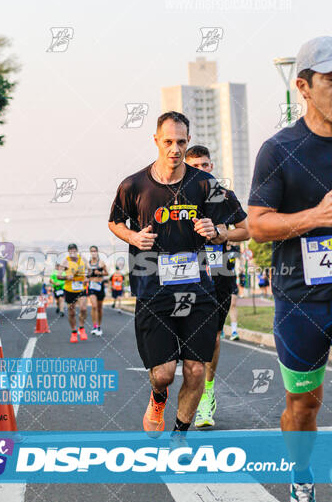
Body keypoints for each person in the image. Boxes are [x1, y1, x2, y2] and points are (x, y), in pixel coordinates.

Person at [109, 111, 229, 443]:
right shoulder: (133, 185)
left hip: (198, 291)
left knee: (194, 369)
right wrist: (133, 238)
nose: (174, 149)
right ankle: (158, 398)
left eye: (180, 142)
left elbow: (246, 226)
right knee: (163, 374)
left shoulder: (205, 184)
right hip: (153, 291)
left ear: (188, 142)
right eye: (168, 142)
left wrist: (217, 230)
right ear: (156, 141)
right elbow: (115, 222)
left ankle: (179, 436)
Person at [248, 36, 332, 502]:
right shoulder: (279, 149)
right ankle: (302, 474)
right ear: (303, 86)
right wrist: (314, 219)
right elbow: (258, 224)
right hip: (302, 302)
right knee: (304, 407)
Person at [185, 145, 249, 427]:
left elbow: (247, 230)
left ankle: (206, 395)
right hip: (183, 277)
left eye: (206, 165)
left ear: (212, 167)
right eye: (195, 165)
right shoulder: (173, 197)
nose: (202, 170)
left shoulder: (224, 196)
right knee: (184, 342)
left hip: (218, 276)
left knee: (212, 338)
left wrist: (224, 233)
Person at [61, 244, 88, 343]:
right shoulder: (65, 261)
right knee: (71, 313)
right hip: (69, 289)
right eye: (70, 251)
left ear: (77, 251)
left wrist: (86, 277)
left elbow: (89, 271)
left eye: (74, 251)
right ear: (68, 252)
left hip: (81, 288)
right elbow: (59, 275)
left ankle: (81, 328)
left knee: (83, 308)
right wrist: (66, 277)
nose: (72, 253)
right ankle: (73, 332)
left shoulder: (83, 259)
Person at [87, 245, 108, 336]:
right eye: (92, 251)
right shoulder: (88, 264)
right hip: (92, 286)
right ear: (90, 253)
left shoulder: (101, 263)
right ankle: (94, 326)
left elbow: (107, 273)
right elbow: (86, 275)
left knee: (99, 308)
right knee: (94, 306)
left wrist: (100, 273)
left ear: (97, 252)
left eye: (95, 251)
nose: (93, 252)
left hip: (100, 286)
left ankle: (99, 326)